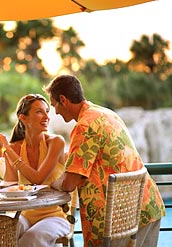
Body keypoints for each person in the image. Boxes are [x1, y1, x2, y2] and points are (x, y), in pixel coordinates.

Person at [44, 74, 166, 247]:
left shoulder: (85, 126)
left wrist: (53, 183)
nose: (55, 111)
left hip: (118, 220)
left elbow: (70, 183)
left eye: (54, 105)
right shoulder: (106, 113)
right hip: (147, 207)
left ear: (63, 100)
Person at [0, 93, 72, 247]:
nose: (46, 116)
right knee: (4, 233)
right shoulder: (15, 147)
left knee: (32, 238)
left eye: (47, 111)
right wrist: (2, 148)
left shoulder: (56, 142)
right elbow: (10, 183)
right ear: (23, 118)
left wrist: (7, 148)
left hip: (56, 216)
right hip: (23, 213)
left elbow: (37, 178)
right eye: (39, 112)